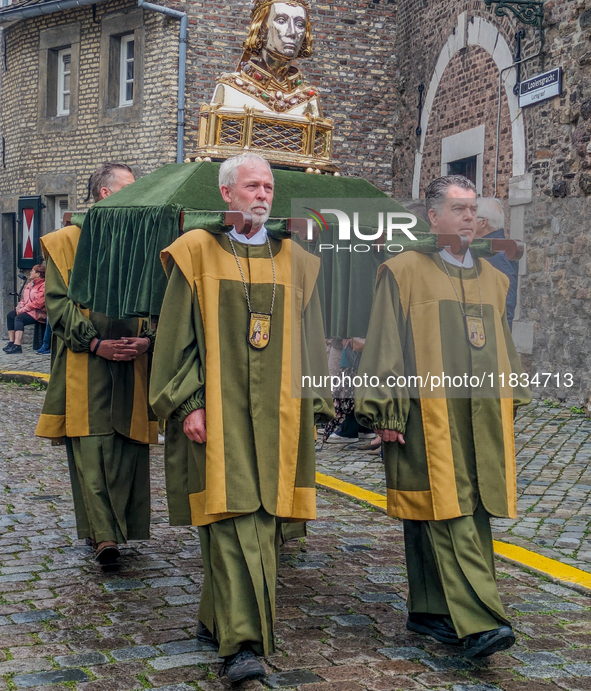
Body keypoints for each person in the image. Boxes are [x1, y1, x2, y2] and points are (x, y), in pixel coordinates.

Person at [150, 153, 333, 684]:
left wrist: (317, 404)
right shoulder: (195, 253)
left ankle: (216, 620)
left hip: (280, 419)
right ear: (226, 193)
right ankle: (244, 647)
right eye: (251, 186)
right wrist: (188, 403)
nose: (262, 194)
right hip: (219, 414)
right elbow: (175, 339)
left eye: (268, 186)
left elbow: (311, 342)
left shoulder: (297, 259)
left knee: (265, 525)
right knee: (231, 520)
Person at [355, 174, 531, 660]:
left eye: (473, 209)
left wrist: (509, 399)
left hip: (480, 417)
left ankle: (430, 611)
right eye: (459, 209)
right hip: (422, 415)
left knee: (461, 507)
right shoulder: (404, 270)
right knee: (443, 508)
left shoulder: (494, 279)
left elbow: (503, 348)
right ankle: (480, 620)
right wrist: (385, 408)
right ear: (433, 218)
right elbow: (386, 343)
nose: (470, 217)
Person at [35, 163, 158, 566]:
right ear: (106, 194)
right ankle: (104, 537)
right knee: (91, 448)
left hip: (132, 362)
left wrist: (148, 340)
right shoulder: (66, 242)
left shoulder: (143, 244)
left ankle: (115, 528)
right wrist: (95, 342)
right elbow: (58, 304)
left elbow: (160, 301)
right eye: (129, 188)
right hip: (84, 364)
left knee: (126, 446)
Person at [475, 197, 519, 329]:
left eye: (472, 216)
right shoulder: (490, 249)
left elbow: (505, 300)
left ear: (483, 223)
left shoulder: (496, 252)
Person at [4, 264, 47, 354]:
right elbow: (24, 299)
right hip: (28, 310)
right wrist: (19, 307)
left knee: (19, 318)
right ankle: (11, 342)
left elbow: (39, 303)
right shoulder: (30, 284)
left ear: (38, 274)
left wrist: (24, 309)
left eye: (32, 271)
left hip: (38, 312)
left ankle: (17, 345)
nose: (30, 272)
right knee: (11, 315)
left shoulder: (43, 286)